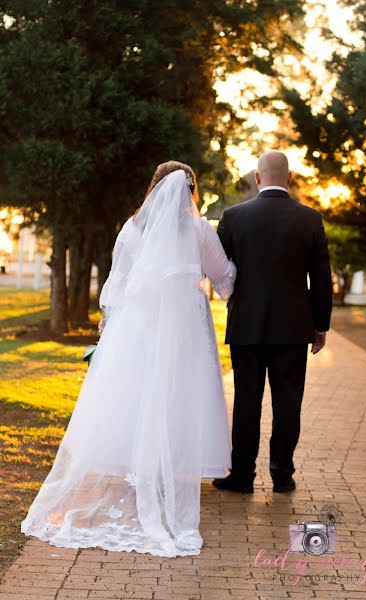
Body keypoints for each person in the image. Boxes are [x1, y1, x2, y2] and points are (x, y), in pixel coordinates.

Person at [21, 161, 236, 557]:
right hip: (185, 325)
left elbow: (117, 279)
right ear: (191, 190)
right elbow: (223, 274)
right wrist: (231, 279)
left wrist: (110, 318)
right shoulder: (200, 228)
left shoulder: (132, 227)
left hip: (139, 321)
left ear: (153, 186)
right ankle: (165, 469)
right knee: (180, 391)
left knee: (136, 388)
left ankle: (139, 464)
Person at [213, 151, 333, 494]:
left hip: (246, 326)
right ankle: (282, 474)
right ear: (290, 178)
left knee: (246, 401)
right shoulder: (310, 218)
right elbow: (321, 279)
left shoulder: (234, 216)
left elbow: (221, 270)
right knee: (288, 402)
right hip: (293, 329)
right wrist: (320, 325)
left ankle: (242, 476)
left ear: (257, 177)